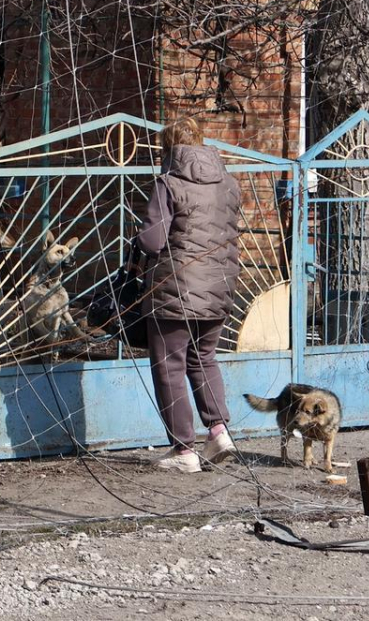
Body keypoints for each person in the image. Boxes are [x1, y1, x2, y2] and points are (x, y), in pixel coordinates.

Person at [136, 116, 241, 473]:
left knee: (170, 367)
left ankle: (183, 450)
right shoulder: (227, 182)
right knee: (205, 358)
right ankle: (218, 432)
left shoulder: (168, 183)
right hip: (219, 286)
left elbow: (153, 241)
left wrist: (139, 234)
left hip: (176, 288)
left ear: (168, 149)